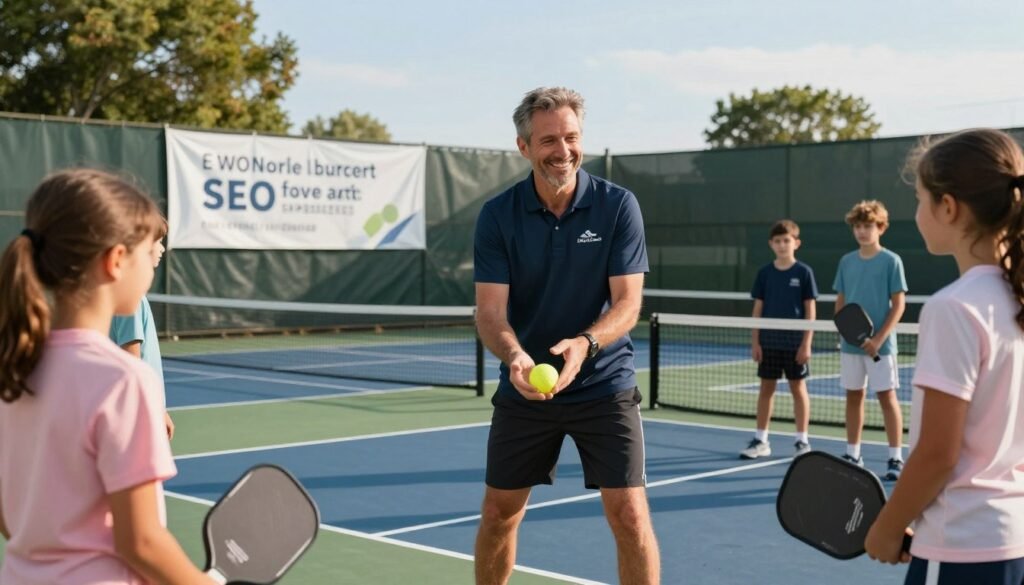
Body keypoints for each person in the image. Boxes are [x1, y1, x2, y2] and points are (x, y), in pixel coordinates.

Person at [473, 87, 659, 585]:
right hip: (526, 389)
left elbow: (628, 304)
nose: (563, 150)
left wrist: (585, 344)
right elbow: (490, 312)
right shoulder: (497, 216)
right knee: (497, 516)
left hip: (604, 384)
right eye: (548, 139)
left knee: (630, 517)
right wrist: (514, 357)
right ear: (524, 147)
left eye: (572, 137)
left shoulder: (618, 207)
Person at [0, 169, 215, 584]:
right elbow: (142, 543)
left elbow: (12, 519)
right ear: (116, 261)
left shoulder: (14, 367)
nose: (156, 260)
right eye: (147, 251)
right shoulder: (125, 381)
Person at [865, 128, 1024, 583]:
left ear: (948, 206)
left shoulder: (953, 307)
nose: (917, 213)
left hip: (962, 550)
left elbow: (938, 453)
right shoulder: (1016, 298)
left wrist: (887, 529)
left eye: (919, 199)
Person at [833, 199, 908, 480]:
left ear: (881, 228)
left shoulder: (891, 261)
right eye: (858, 227)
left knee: (887, 398)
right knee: (854, 397)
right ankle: (853, 453)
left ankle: (895, 459)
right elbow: (840, 304)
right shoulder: (846, 262)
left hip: (882, 346)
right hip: (851, 346)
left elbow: (899, 305)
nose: (862, 231)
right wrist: (846, 333)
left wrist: (877, 339)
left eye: (868, 226)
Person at [739, 219, 818, 459]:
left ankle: (802, 441)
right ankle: (761, 439)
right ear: (771, 244)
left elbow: (810, 310)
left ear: (796, 243)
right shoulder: (765, 273)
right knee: (766, 389)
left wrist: (806, 343)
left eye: (787, 240)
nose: (782, 245)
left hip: (795, 345)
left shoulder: (804, 272)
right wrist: (755, 342)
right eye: (778, 241)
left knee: (798, 389)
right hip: (769, 343)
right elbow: (757, 310)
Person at [111, 222, 174, 439]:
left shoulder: (118, 294)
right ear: (143, 248)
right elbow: (133, 363)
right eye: (159, 242)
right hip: (138, 416)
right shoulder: (133, 299)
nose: (163, 249)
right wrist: (158, 410)